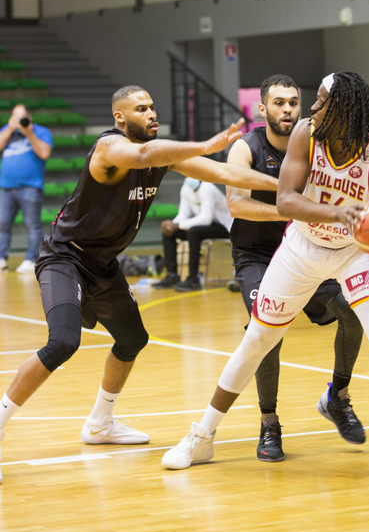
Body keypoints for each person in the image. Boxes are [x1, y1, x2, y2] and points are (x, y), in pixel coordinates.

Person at [163, 72, 369, 479]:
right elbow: (286, 200)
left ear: (343, 110)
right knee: (257, 338)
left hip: (355, 254)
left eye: (321, 102)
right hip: (301, 248)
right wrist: (338, 213)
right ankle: (202, 437)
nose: (312, 109)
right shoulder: (308, 135)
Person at [0, 85, 277, 484]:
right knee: (63, 342)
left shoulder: (160, 157)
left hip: (104, 264)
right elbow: (146, 154)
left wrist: (287, 186)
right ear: (119, 118)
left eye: (153, 107)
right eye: (141, 108)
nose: (151, 114)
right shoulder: (110, 149)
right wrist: (206, 142)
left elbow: (225, 172)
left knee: (132, 340)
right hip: (65, 256)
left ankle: (100, 424)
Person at [225, 74, 364, 462]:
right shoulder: (245, 148)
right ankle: (269, 422)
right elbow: (236, 203)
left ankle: (338, 397)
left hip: (306, 251)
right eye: (279, 103)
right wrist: (290, 211)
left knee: (353, 315)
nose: (287, 109)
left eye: (293, 103)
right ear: (263, 108)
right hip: (257, 257)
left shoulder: (316, 143)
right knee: (266, 331)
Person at [0, 103, 53, 274]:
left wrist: (28, 133)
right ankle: (1, 258)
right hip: (6, 187)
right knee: (2, 224)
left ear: (29, 117)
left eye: (22, 117)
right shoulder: (8, 132)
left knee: (32, 225)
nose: (19, 121)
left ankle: (32, 259)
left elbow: (44, 153)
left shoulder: (41, 132)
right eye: (15, 117)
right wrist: (9, 128)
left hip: (30, 187)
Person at [154, 178, 232, 291]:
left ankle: (193, 278)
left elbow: (206, 219)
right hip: (207, 227)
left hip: (225, 227)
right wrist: (171, 225)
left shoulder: (208, 188)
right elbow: (183, 214)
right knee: (170, 233)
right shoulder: (186, 188)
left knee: (193, 232)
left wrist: (178, 225)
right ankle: (172, 275)